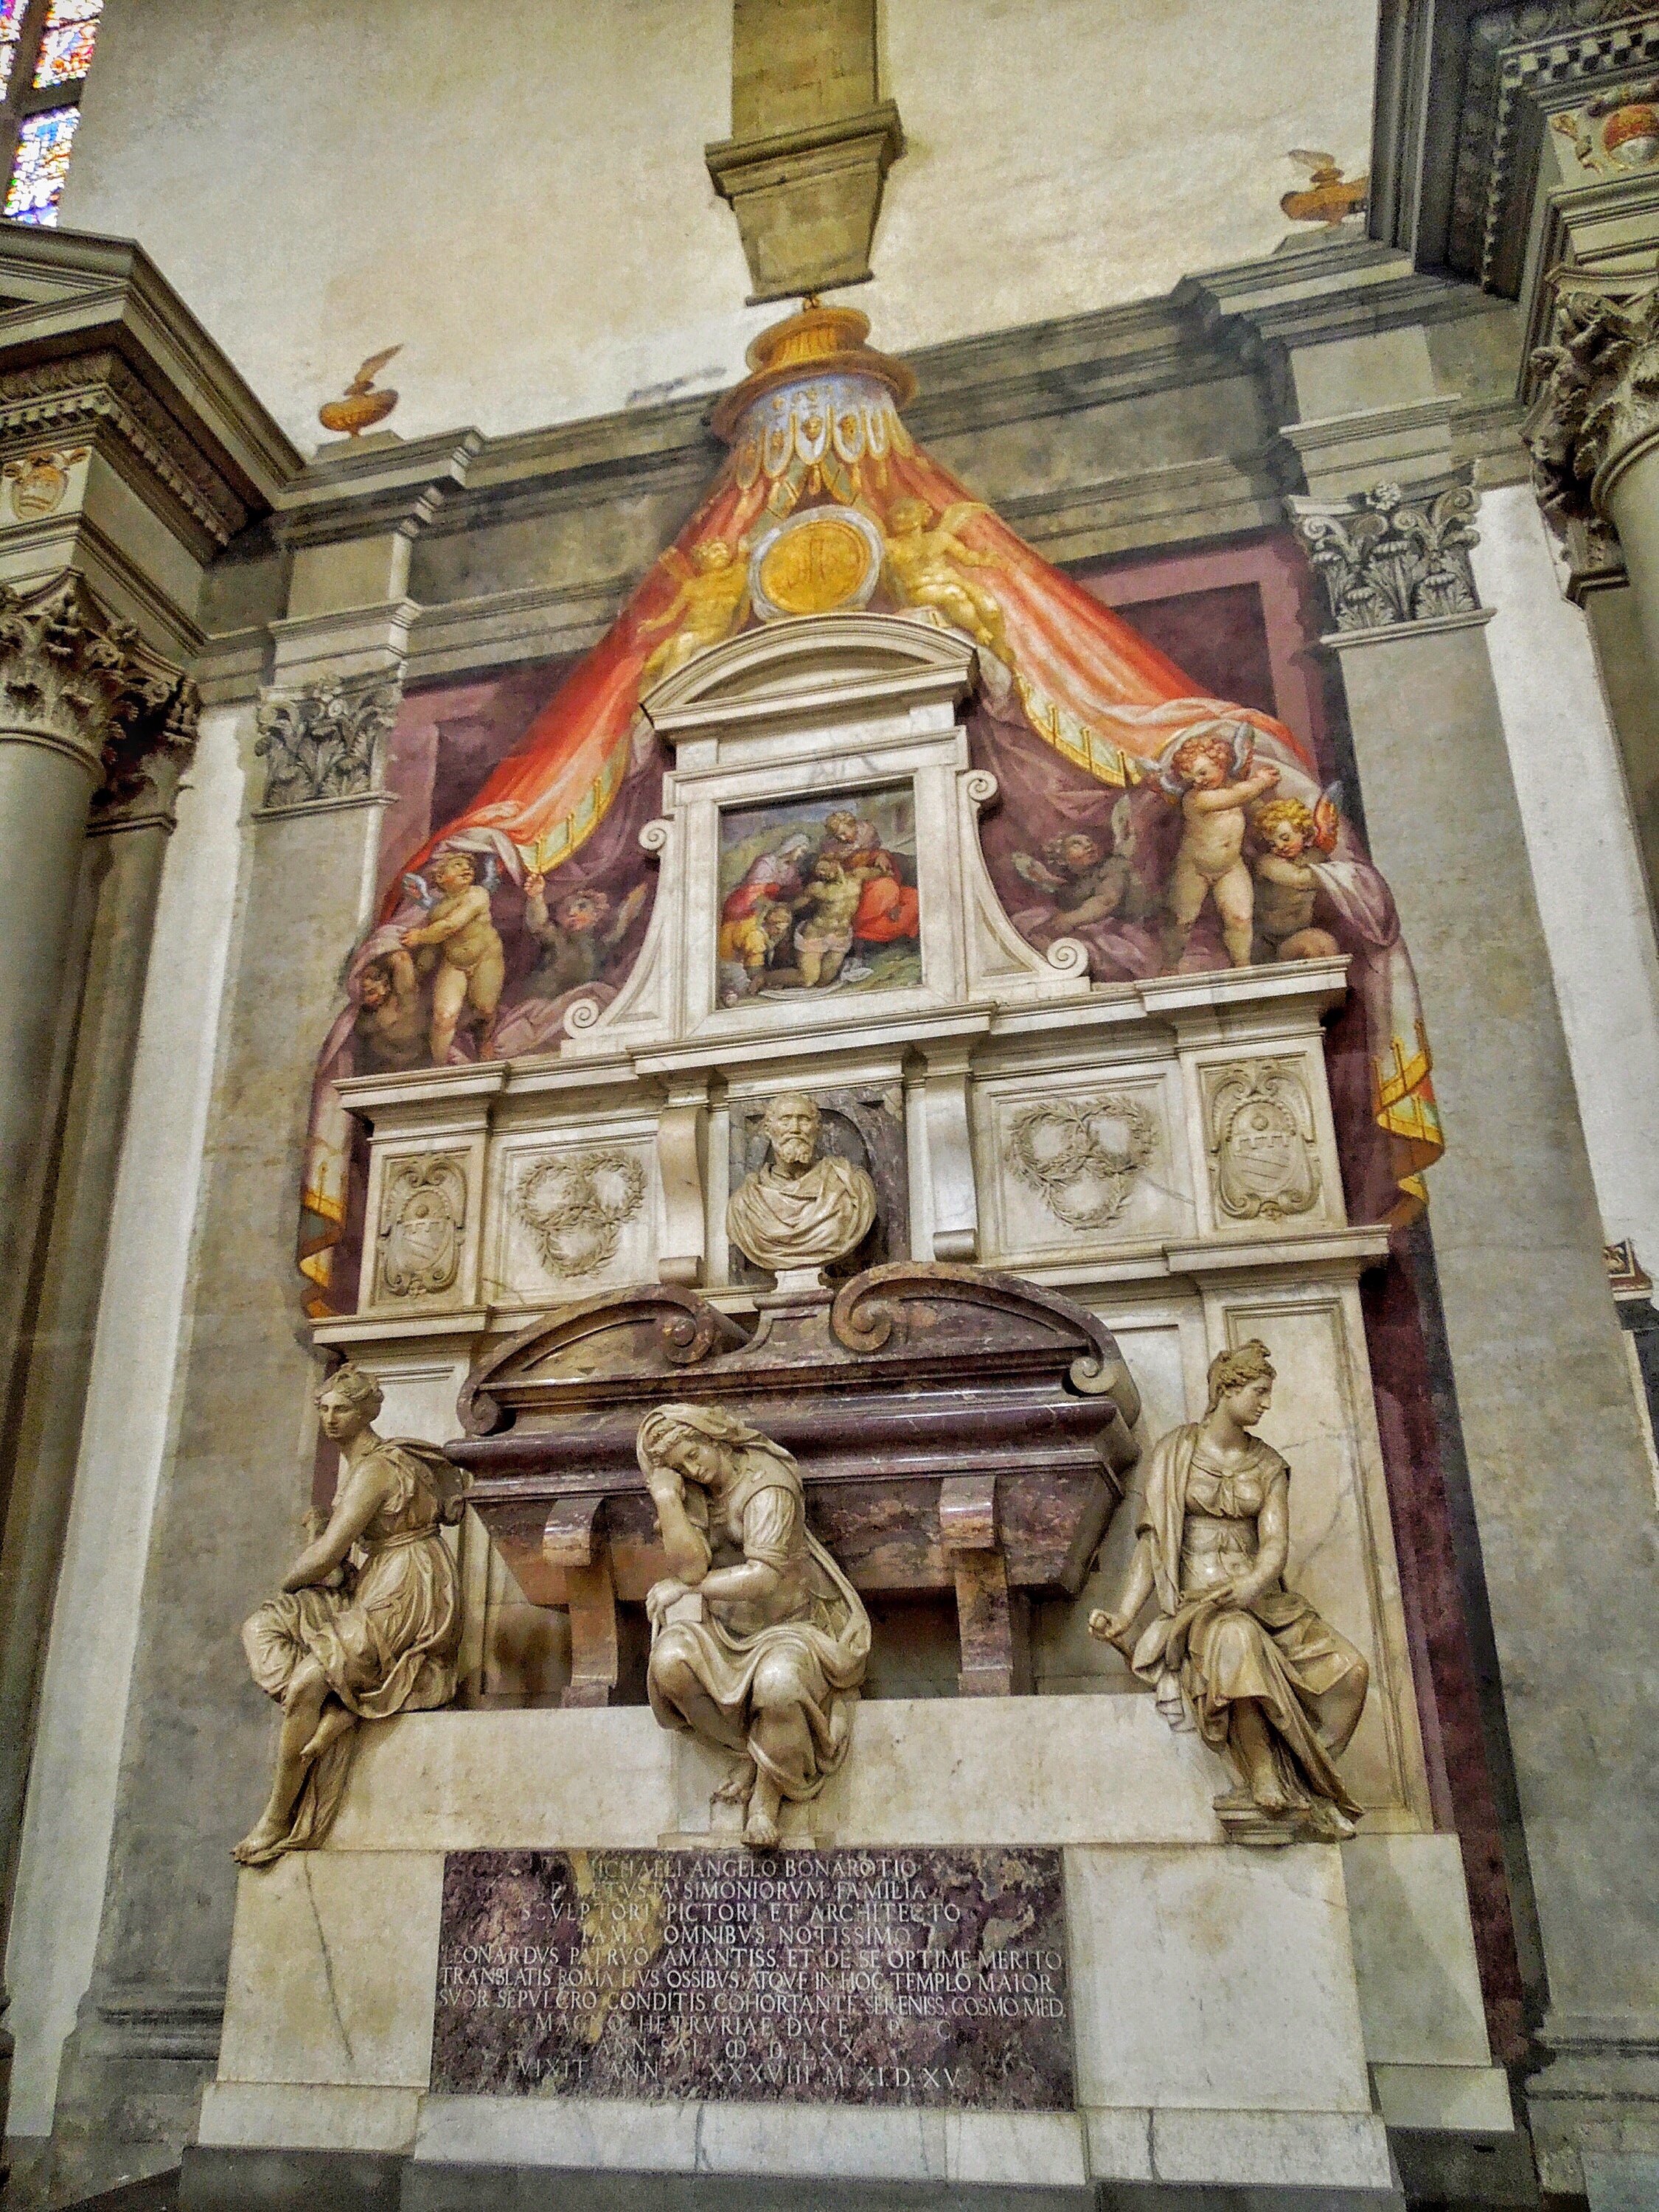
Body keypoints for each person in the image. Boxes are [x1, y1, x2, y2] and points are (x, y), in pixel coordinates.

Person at [1088, 1339, 1368, 1840]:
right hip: (1200, 1608)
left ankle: (1303, 1771)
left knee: (1352, 1672)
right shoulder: (1176, 1452)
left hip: (1262, 1600)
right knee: (1237, 1638)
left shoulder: (1269, 1465)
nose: (1266, 1404)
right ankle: (1262, 1773)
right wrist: (1125, 1616)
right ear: (1227, 1389)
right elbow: (1154, 1544)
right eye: (1259, 1392)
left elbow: (1275, 1543)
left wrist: (1253, 1583)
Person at [234, 1365, 465, 1865]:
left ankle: (277, 1815)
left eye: (342, 1409)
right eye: (324, 1409)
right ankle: (341, 1704)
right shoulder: (358, 1465)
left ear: (367, 1413)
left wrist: (292, 1580)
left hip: (409, 1588)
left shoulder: (377, 1469)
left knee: (305, 1683)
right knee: (262, 1625)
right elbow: (338, 1563)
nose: (331, 1419)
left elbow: (326, 1558)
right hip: (373, 1580)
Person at [640, 1403, 869, 1848]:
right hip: (723, 1631)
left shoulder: (768, 1486)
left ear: (713, 1437)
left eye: (694, 1455)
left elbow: (763, 1578)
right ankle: (754, 1748)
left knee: (778, 1684)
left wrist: (686, 1589)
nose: (694, 1470)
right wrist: (667, 1498)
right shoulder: (695, 1491)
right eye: (681, 1467)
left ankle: (766, 1798)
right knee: (668, 1665)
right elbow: (691, 1568)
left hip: (794, 1627)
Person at [1161, 726, 1281, 969]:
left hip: (1230, 866)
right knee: (1182, 921)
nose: (1198, 781)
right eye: (1191, 778)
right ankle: (1170, 966)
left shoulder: (1236, 787)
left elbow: (1256, 810)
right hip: (1194, 868)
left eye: (1202, 772)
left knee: (1241, 918)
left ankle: (1242, 966)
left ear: (1221, 762)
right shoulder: (1196, 798)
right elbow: (1234, 797)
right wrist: (1260, 782)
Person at [726, 1091, 877, 1278]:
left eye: (804, 1120)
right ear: (768, 1129)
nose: (795, 1129)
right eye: (785, 1120)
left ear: (817, 1129)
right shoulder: (745, 1203)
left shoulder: (850, 1184)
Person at [401, 850, 505, 1062]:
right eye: (457, 865)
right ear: (440, 878)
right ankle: (438, 1066)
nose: (466, 869)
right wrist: (418, 972)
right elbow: (434, 947)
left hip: (486, 959)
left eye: (469, 867)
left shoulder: (477, 894)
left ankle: (483, 1042)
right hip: (454, 964)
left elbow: (451, 925)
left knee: (485, 1010)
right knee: (443, 1018)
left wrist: (420, 936)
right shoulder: (437, 910)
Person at [521, 874, 647, 998]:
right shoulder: (558, 938)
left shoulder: (599, 947)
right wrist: (536, 896)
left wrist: (638, 894)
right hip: (545, 1000)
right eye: (566, 910)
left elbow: (622, 922)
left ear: (596, 915)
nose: (572, 913)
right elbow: (539, 925)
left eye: (582, 907)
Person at [1249, 796, 1343, 964]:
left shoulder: (1315, 856)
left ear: (1303, 832)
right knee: (1311, 949)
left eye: (1285, 838)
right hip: (1268, 942)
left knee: (1325, 946)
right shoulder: (1267, 863)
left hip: (1300, 932)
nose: (1280, 846)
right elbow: (1299, 879)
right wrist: (1338, 875)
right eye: (1272, 844)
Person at [352, 947, 427, 1074]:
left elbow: (402, 959)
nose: (381, 993)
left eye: (372, 992)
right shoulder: (365, 1020)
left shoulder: (407, 999)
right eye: (369, 993)